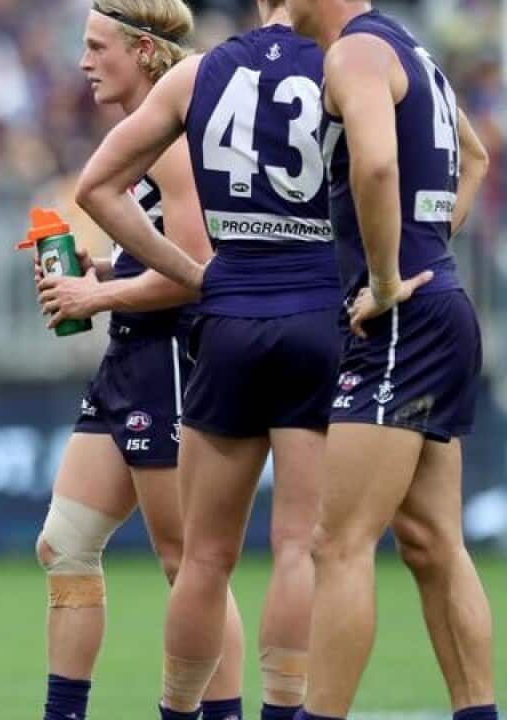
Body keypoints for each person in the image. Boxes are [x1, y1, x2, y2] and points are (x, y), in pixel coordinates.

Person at [67, 1, 341, 717]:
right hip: (314, 309)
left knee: (202, 559)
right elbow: (384, 169)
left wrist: (199, 279)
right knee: (296, 549)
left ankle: (181, 713)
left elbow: (95, 188)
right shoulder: (349, 62)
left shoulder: (203, 75)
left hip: (227, 323)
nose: (86, 61)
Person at [29, 2, 245, 718]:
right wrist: (100, 266)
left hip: (174, 360)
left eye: (98, 47)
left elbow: (194, 270)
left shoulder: (175, 136)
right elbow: (157, 248)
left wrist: (97, 297)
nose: (84, 61)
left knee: (192, 566)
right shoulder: (145, 127)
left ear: (145, 52)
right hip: (131, 355)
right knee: (65, 546)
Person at [284, 1, 496, 718]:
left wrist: (384, 278)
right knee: (435, 543)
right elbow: (476, 157)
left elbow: (375, 163)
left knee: (336, 544)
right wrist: (429, 246)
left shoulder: (354, 54)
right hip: (443, 307)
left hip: (402, 318)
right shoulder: (414, 54)